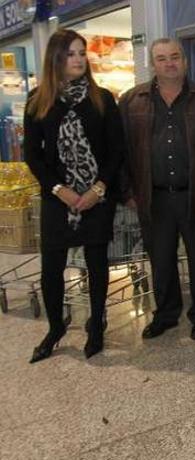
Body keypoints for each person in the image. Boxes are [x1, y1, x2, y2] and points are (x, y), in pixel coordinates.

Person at [118, 38, 195, 341]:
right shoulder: (132, 101)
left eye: (174, 57)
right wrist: (127, 191)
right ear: (152, 64)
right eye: (161, 58)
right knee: (160, 260)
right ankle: (166, 314)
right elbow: (120, 152)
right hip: (153, 196)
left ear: (184, 61)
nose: (169, 63)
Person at [23, 29, 124, 362]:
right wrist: (60, 190)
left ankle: (97, 325)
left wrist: (97, 189)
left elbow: (116, 151)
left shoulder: (102, 99)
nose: (79, 59)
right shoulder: (39, 101)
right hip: (57, 199)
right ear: (56, 58)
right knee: (52, 268)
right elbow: (33, 156)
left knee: (97, 264)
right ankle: (55, 328)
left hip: (97, 197)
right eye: (71, 53)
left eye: (82, 53)